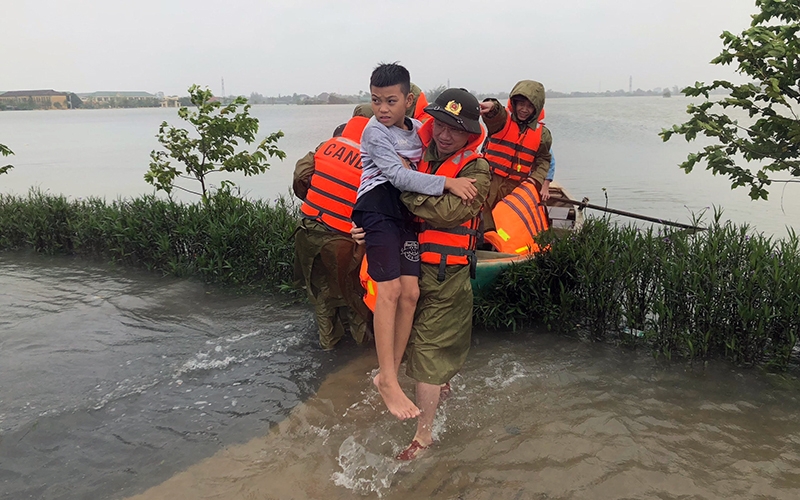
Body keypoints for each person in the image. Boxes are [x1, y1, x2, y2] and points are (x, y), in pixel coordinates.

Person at [354, 88, 491, 460]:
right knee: (409, 338)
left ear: (471, 133)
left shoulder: (477, 169)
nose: (445, 135)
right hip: (410, 260)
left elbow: (447, 212)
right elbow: (382, 188)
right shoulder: (417, 150)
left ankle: (423, 436)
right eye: (441, 125)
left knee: (429, 355)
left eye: (456, 129)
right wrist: (369, 224)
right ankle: (415, 383)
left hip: (448, 275)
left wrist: (400, 189)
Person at [292, 112, 372, 351]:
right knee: (355, 295)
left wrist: (313, 198)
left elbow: (301, 175)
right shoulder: (375, 158)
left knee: (321, 293)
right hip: (343, 238)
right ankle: (360, 355)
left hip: (308, 229)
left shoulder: (326, 147)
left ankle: (328, 347)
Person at [479, 80, 552, 231]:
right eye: (521, 104)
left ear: (537, 109)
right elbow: (495, 114)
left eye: (530, 106)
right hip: (488, 181)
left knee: (506, 226)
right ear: (514, 103)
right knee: (481, 219)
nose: (524, 109)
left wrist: (535, 181)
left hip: (516, 188)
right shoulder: (502, 121)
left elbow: (544, 160)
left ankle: (500, 249)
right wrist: (492, 106)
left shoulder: (543, 134)